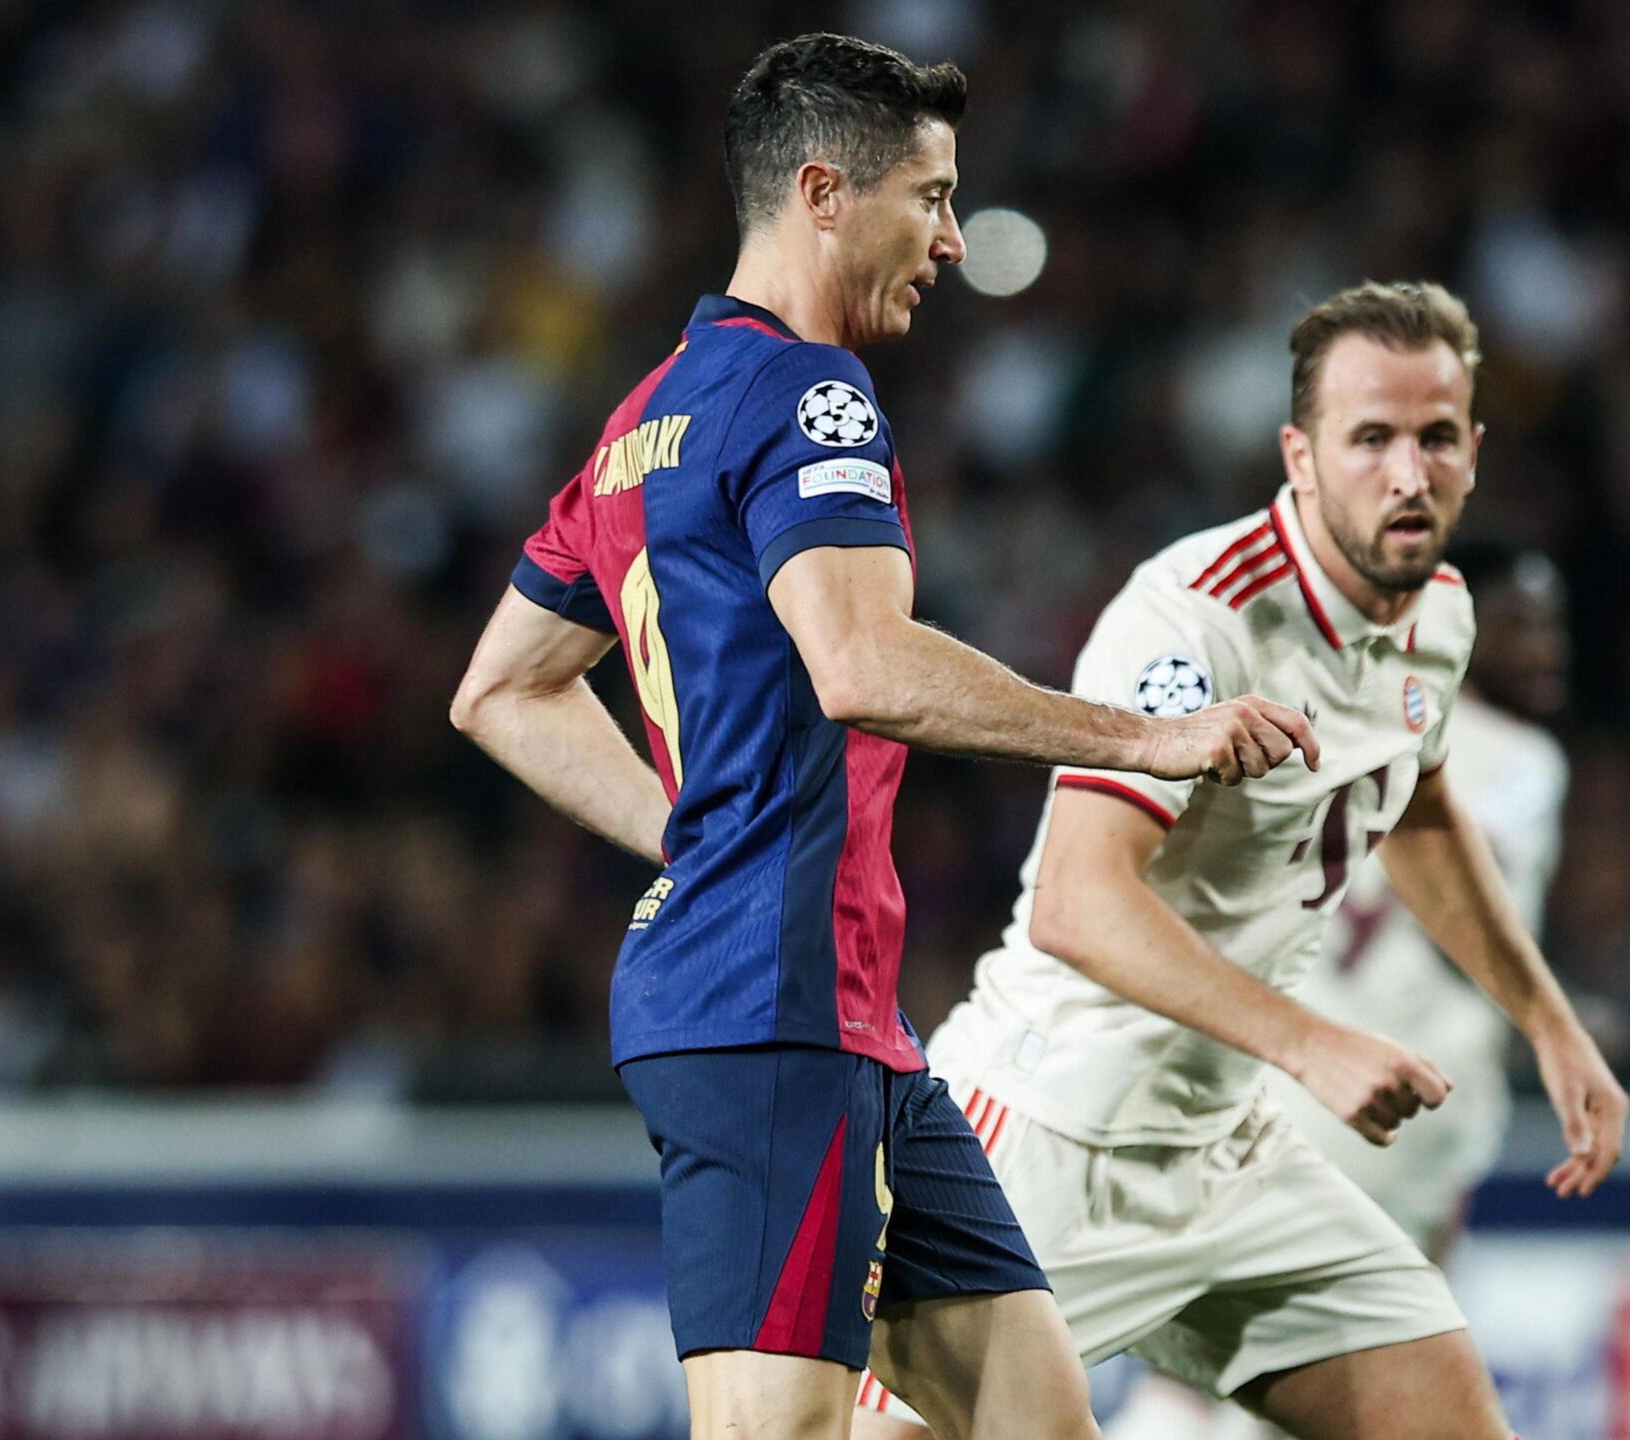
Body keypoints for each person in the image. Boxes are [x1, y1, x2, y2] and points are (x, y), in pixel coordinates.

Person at [448, 34, 1318, 1440]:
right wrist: (1137, 740)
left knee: (1037, 1420)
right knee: (774, 1429)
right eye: (931, 197)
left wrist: (690, 830)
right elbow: (859, 664)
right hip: (770, 1006)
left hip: (841, 1018)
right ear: (823, 193)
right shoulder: (810, 395)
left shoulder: (641, 425)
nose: (955, 241)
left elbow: (501, 686)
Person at [851, 281, 1628, 1440]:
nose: (1407, 474)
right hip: (1053, 1136)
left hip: (1226, 1150)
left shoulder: (1442, 617)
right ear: (1299, 456)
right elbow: (1075, 900)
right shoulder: (1197, 622)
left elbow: (1410, 804)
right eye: (1370, 438)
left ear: (1473, 450)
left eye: (1434, 439)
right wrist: (1311, 1045)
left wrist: (1548, 1024)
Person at [1108, 545, 1575, 1440]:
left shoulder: (1334, 713)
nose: (1549, 646)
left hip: (1269, 1080)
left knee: (1204, 1368)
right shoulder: (1520, 758)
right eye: (1524, 621)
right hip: (1393, 1102)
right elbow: (1472, 938)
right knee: (1342, 1393)